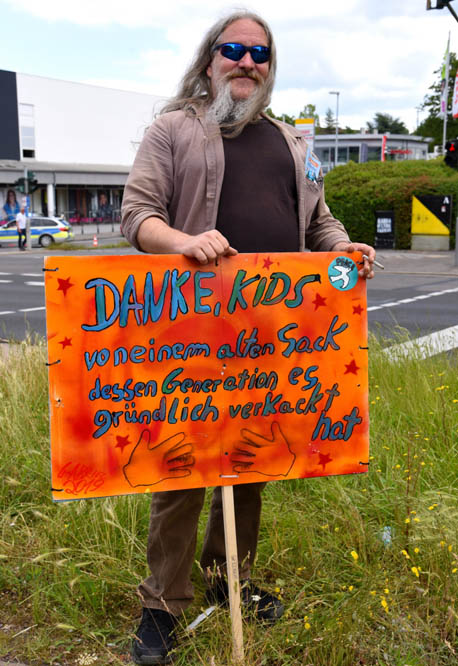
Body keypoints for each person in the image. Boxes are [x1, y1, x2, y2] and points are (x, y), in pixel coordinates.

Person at [121, 10, 376, 664]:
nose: (246, 61)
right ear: (210, 60)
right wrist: (185, 242)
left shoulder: (294, 143)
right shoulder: (172, 129)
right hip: (190, 336)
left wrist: (343, 247)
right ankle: (162, 607)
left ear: (269, 67)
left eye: (259, 54)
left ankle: (226, 582)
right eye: (233, 49)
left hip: (273, 340)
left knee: (251, 463)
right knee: (182, 467)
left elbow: (319, 222)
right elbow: (138, 216)